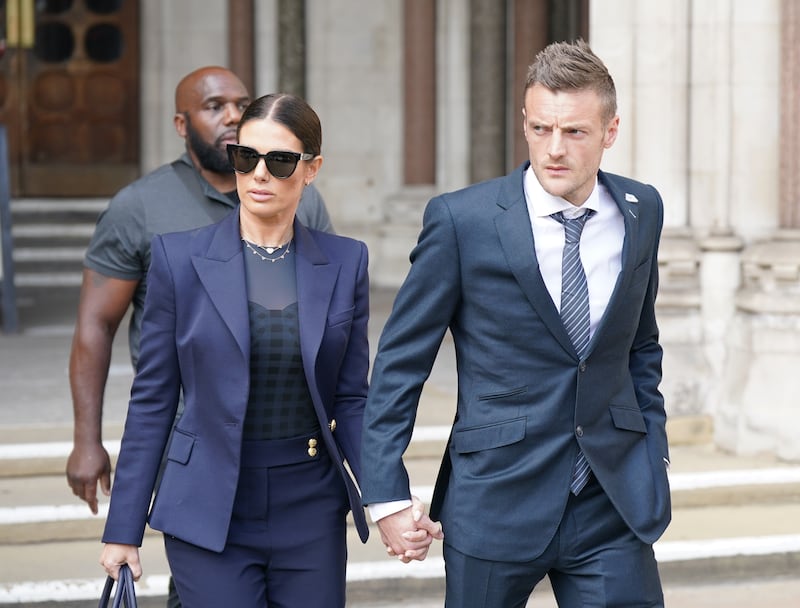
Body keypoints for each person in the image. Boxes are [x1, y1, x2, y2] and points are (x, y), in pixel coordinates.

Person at [361, 39, 671, 607]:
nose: (554, 149)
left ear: (610, 130)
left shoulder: (641, 209)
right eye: (539, 128)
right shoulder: (463, 220)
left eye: (574, 131)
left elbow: (640, 345)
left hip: (611, 499)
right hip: (495, 500)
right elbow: (401, 362)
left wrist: (653, 448)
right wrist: (385, 493)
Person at [67, 67, 334, 607]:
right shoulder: (141, 208)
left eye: (239, 102)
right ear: (181, 124)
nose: (231, 115)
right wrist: (87, 438)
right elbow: (97, 325)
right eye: (214, 106)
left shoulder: (306, 207)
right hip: (191, 448)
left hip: (288, 465)